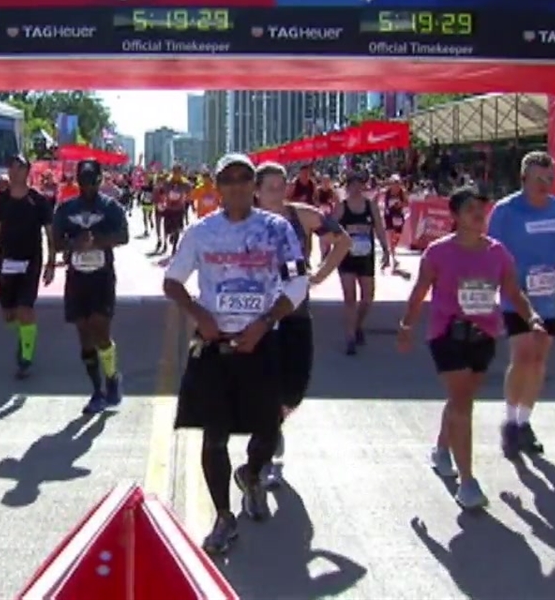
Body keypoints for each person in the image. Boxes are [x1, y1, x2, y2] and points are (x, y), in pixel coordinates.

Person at [163, 154, 309, 554]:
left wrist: (265, 322)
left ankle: (252, 471)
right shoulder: (200, 233)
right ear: (217, 186)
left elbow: (298, 282)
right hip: (215, 345)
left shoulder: (276, 229)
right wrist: (199, 315)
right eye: (228, 179)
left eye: (245, 179)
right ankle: (224, 517)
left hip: (263, 342)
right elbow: (172, 282)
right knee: (214, 435)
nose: (237, 186)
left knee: (268, 429)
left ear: (254, 186)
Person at [396, 186, 546, 510]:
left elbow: (513, 292)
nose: (479, 216)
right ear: (455, 216)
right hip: (447, 334)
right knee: (463, 404)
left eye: (482, 210)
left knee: (461, 398)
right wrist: (407, 325)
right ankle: (467, 482)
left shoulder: (497, 252)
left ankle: (440, 449)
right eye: (470, 211)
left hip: (484, 335)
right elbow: (420, 290)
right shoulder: (437, 252)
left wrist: (531, 317)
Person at [487, 152, 555, 460]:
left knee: (538, 361)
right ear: (524, 179)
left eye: (549, 179)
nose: (545, 184)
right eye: (538, 179)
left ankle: (524, 422)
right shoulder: (506, 211)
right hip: (515, 297)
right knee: (522, 356)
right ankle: (509, 421)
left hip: (548, 299)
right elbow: (490, 254)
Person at [253, 162, 349, 488]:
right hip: (259, 317)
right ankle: (264, 455)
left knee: (294, 388)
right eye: (271, 188)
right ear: (257, 191)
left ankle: (275, 421)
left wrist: (320, 275)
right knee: (263, 384)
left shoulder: (302, 216)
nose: (278, 193)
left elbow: (343, 240)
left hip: (295, 313)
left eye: (282, 186)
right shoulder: (244, 222)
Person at [54, 160, 129, 414]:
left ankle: (111, 377)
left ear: (99, 180)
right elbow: (56, 241)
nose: (87, 185)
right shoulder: (65, 209)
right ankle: (97, 390)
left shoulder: (111, 207)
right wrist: (74, 243)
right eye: (83, 180)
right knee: (84, 333)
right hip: (77, 278)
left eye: (92, 180)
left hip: (102, 276)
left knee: (100, 328)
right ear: (77, 181)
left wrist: (98, 241)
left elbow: (124, 236)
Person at [0, 154, 58, 379]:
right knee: (9, 313)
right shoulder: (1, 199)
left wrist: (51, 261)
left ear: (28, 171)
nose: (15, 171)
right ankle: (25, 334)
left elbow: (49, 231)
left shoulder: (38, 200)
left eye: (20, 167)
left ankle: (26, 356)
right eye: (11, 167)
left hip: (31, 261)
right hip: (7, 261)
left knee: (25, 309)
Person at [334, 171, 392, 353]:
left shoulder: (371, 206)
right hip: (347, 257)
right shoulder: (342, 207)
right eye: (352, 185)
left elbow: (380, 228)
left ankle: (358, 325)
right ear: (347, 187)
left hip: (366, 256)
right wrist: (332, 246)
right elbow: (330, 228)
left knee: (367, 298)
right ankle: (350, 338)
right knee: (350, 298)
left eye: (359, 184)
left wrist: (386, 250)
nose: (356, 188)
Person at [382, 175, 409, 271]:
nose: (396, 186)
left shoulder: (402, 192)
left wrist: (400, 204)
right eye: (394, 184)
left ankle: (390, 252)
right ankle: (393, 258)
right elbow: (384, 204)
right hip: (389, 216)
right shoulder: (387, 192)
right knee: (390, 236)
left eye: (397, 184)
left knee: (396, 236)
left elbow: (407, 203)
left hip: (398, 216)